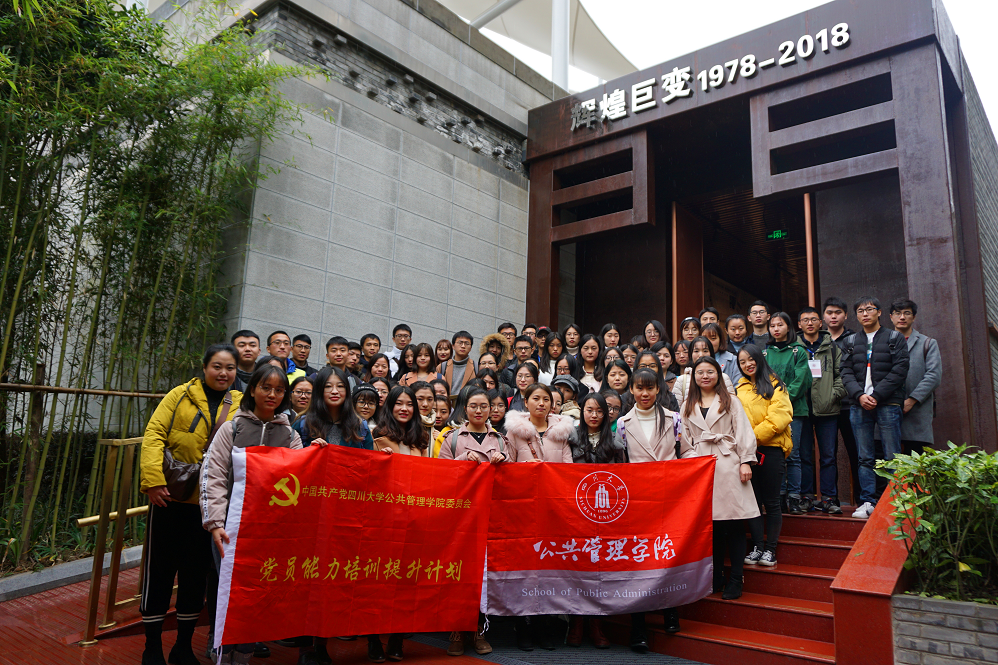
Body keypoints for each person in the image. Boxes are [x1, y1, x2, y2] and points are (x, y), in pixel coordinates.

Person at [139, 344, 242, 665]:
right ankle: (152, 647)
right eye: (217, 366)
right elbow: (154, 434)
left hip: (210, 507)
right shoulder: (180, 395)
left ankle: (182, 646)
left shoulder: (241, 403)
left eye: (229, 368)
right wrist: (153, 480)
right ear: (204, 366)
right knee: (159, 571)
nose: (223, 373)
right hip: (170, 499)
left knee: (195, 575)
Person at [199, 363, 303, 665]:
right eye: (265, 388)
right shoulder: (232, 428)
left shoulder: (290, 435)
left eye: (279, 390)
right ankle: (222, 650)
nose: (272, 394)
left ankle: (243, 654)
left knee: (256, 592)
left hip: (269, 532)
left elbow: (303, 476)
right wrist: (215, 523)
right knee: (229, 589)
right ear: (253, 389)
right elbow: (213, 474)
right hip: (231, 527)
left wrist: (318, 453)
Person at [680, 356, 759, 601]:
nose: (705, 376)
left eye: (710, 372)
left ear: (719, 374)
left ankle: (736, 578)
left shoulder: (731, 400)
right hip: (700, 469)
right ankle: (716, 576)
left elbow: (743, 431)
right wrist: (693, 460)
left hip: (729, 465)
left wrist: (745, 461)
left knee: (734, 524)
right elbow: (684, 440)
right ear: (693, 377)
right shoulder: (687, 404)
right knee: (710, 527)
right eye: (700, 372)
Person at [613, 368, 682, 648]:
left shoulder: (675, 419)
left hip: (670, 499)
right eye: (639, 388)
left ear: (658, 390)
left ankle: (670, 611)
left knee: (666, 555)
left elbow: (686, 452)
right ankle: (638, 627)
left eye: (650, 388)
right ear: (631, 390)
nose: (644, 393)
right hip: (637, 501)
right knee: (638, 561)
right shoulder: (622, 423)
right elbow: (620, 462)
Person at [504, 383, 574, 651]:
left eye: (546, 399)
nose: (542, 403)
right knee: (524, 570)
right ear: (525, 402)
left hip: (553, 510)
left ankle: (544, 627)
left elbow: (568, 470)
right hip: (523, 511)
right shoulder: (514, 432)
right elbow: (507, 469)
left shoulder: (561, 432)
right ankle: (522, 627)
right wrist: (526, 471)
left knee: (549, 571)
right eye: (536, 398)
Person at [840, 296, 910, 519]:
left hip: (888, 403)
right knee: (864, 457)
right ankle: (867, 501)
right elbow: (845, 372)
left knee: (892, 455)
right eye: (860, 311)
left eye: (869, 309)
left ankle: (895, 501)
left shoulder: (894, 337)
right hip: (859, 404)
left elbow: (900, 370)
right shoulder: (850, 341)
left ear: (879, 312)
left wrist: (877, 395)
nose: (865, 314)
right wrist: (859, 395)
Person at [565, 391, 618, 650]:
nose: (594, 415)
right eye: (589, 410)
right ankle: (576, 622)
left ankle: (597, 624)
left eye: (599, 411)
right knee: (577, 568)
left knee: (601, 571)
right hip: (576, 513)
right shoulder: (570, 439)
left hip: (607, 516)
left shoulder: (617, 443)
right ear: (582, 412)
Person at [736, 345, 793, 568]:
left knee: (771, 502)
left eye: (751, 359)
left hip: (770, 450)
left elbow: (780, 417)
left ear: (760, 359)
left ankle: (771, 549)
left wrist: (750, 438)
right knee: (753, 502)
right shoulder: (738, 388)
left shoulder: (776, 384)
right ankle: (758, 546)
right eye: (742, 362)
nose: (747, 364)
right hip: (747, 453)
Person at [798, 307, 846, 514]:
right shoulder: (795, 348)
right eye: (805, 320)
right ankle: (806, 497)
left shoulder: (832, 347)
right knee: (804, 456)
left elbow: (842, 374)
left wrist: (834, 394)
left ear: (820, 323)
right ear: (799, 324)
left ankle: (829, 498)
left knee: (828, 456)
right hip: (801, 410)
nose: (809, 323)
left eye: (813, 319)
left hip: (828, 410)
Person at [763, 312, 812, 514]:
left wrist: (781, 401)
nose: (776, 329)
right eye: (772, 325)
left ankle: (794, 497)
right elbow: (762, 381)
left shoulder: (799, 351)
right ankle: (780, 496)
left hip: (794, 410)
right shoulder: (765, 353)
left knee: (793, 455)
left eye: (780, 325)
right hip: (771, 412)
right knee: (777, 454)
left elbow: (800, 381)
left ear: (789, 327)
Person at [889, 299, 941, 455]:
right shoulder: (881, 342)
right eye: (897, 313)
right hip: (887, 410)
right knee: (886, 461)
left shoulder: (927, 343)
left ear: (914, 317)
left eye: (907, 313)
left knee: (914, 459)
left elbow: (933, 375)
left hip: (916, 411)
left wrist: (911, 400)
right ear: (891, 317)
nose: (902, 317)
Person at [823, 296, 860, 504]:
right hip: (826, 407)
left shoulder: (854, 339)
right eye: (829, 313)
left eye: (838, 312)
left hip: (849, 405)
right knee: (828, 455)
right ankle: (830, 499)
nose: (834, 316)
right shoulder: (819, 339)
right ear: (824, 316)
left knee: (856, 453)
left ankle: (862, 500)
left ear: (845, 315)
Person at [294, 367, 374, 449]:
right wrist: (309, 451)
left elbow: (369, 456)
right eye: (328, 386)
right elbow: (291, 454)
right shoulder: (303, 424)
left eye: (340, 386)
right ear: (319, 390)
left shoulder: (360, 426)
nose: (335, 391)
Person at [374, 385, 429, 462]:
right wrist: (380, 458)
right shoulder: (376, 435)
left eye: (409, 405)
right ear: (390, 406)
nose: (404, 409)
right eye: (398, 403)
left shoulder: (420, 438)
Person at [672, 337, 735, 405]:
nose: (701, 355)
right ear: (691, 354)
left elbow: (733, 406)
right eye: (696, 351)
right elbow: (676, 409)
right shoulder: (682, 381)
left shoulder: (724, 378)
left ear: (711, 353)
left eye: (705, 351)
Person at [437, 331, 476, 395]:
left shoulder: (476, 367)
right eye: (460, 343)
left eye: (467, 343)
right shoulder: (442, 367)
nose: (463, 346)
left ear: (471, 348)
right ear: (453, 346)